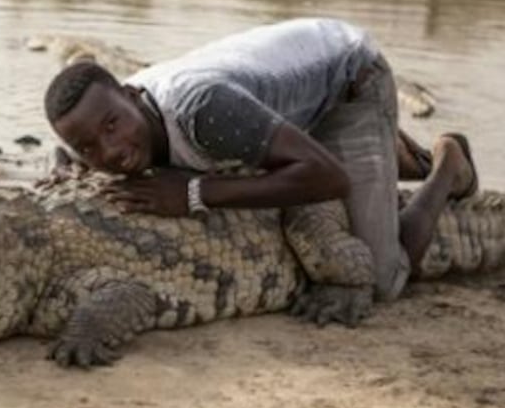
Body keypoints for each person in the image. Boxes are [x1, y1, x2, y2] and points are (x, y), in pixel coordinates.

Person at [43, 17, 477, 309]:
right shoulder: (104, 111)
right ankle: (386, 148)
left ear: (132, 96)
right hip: (269, 107)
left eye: (112, 126)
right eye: (88, 148)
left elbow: (330, 179)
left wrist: (194, 194)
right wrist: (65, 166)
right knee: (261, 143)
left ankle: (446, 164)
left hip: (348, 79)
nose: (111, 150)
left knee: (383, 278)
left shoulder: (202, 111)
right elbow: (77, 147)